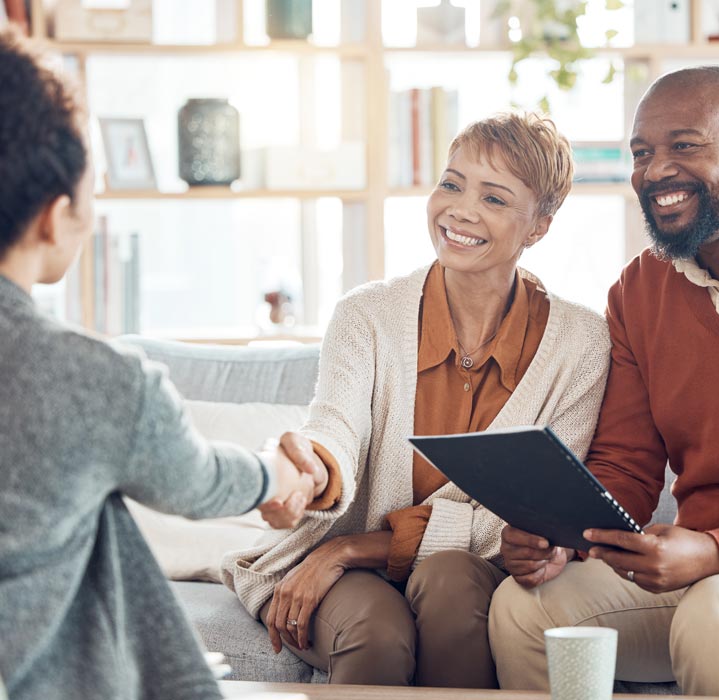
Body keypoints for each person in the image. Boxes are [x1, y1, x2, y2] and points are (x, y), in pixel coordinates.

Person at [220, 111, 611, 688]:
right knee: (377, 634)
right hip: (343, 564)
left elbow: (531, 513)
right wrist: (308, 475)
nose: (460, 210)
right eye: (451, 184)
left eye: (495, 199)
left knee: (452, 584)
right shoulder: (366, 315)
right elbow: (335, 429)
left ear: (539, 226)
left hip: (467, 571)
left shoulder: (581, 343)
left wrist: (356, 548)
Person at [0, 30, 335, 700]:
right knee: (107, 520)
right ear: (54, 214)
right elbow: (201, 483)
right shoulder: (94, 381)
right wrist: (279, 468)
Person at [488, 66, 719, 700]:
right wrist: (561, 537)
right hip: (703, 571)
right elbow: (627, 465)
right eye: (642, 153)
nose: (655, 171)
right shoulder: (639, 290)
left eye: (684, 145)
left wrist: (718, 551)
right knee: (525, 608)